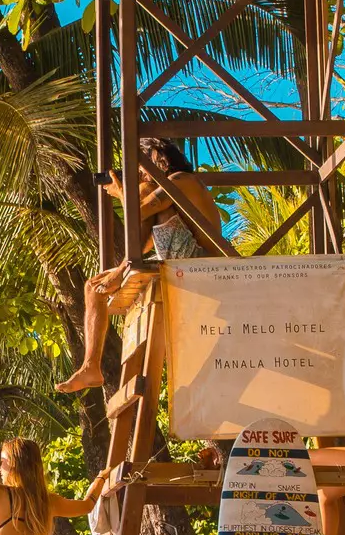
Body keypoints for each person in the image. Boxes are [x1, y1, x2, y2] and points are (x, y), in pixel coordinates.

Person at [57, 138, 226, 394]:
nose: (139, 175)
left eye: (140, 168)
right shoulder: (165, 195)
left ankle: (123, 269)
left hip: (201, 263)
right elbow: (142, 243)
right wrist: (122, 269)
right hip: (175, 256)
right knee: (93, 287)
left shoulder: (182, 180)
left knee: (146, 194)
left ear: (156, 158)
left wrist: (121, 192)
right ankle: (90, 366)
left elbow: (140, 212)